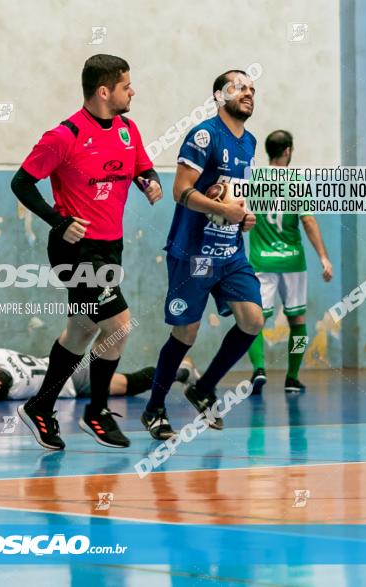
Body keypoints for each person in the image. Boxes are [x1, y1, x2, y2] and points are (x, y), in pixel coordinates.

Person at [11, 54, 162, 450]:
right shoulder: (65, 135)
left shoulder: (128, 130)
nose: (133, 91)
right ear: (104, 91)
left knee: (83, 329)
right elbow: (22, 183)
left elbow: (141, 168)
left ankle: (41, 407)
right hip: (74, 248)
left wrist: (149, 182)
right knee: (119, 324)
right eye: (126, 85)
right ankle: (96, 411)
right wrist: (57, 221)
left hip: (111, 246)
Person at [140, 70, 264, 441]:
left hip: (230, 251)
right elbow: (181, 190)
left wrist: (243, 216)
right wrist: (220, 208)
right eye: (240, 87)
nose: (248, 93)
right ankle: (154, 407)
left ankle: (204, 386)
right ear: (218, 95)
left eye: (252, 89)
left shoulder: (250, 142)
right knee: (186, 331)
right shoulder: (204, 134)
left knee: (253, 319)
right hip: (194, 252)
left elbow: (234, 196)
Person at [247, 130, 333, 394]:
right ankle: (292, 378)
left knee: (254, 321)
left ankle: (259, 368)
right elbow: (307, 220)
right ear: (287, 151)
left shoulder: (254, 179)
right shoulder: (296, 181)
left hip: (261, 261)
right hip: (292, 262)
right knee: (297, 320)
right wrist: (323, 257)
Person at [0, 348, 195, 402]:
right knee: (127, 383)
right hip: (61, 367)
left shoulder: (14, 389)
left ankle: (181, 370)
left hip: (71, 377)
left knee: (129, 384)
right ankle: (179, 371)